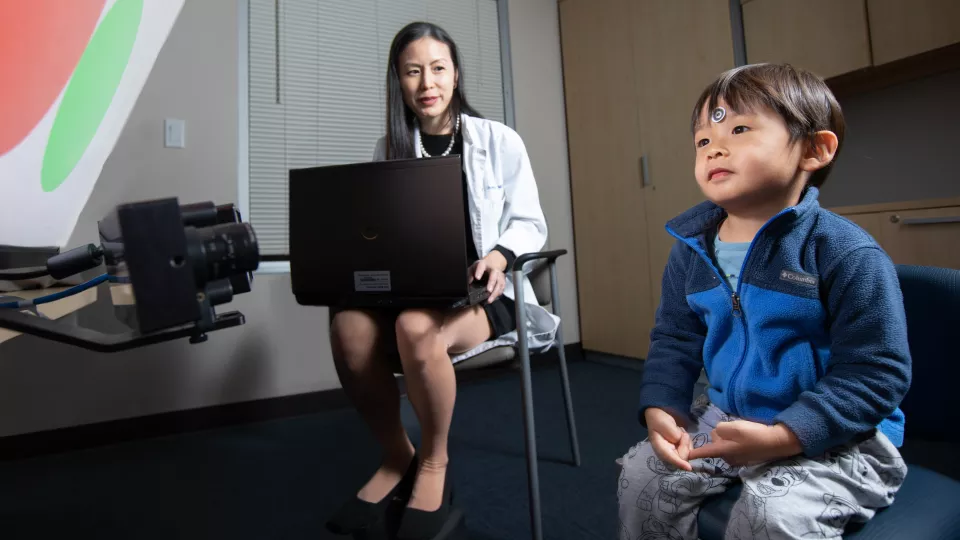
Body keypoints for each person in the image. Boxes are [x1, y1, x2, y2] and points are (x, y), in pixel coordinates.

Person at [617, 63, 912, 540]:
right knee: (640, 479)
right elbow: (675, 337)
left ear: (815, 149)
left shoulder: (844, 252)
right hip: (727, 416)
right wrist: (663, 406)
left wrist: (785, 437)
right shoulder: (691, 248)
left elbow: (877, 371)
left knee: (773, 517)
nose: (714, 145)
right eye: (702, 140)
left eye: (738, 128)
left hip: (837, 434)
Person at [324, 21, 558, 539]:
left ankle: (433, 461)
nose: (426, 82)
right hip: (411, 287)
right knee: (348, 328)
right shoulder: (389, 147)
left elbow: (529, 220)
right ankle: (395, 455)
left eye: (437, 68)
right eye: (413, 71)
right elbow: (378, 234)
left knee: (414, 327)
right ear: (399, 82)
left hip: (483, 290)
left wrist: (499, 256)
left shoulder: (498, 140)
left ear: (455, 75)